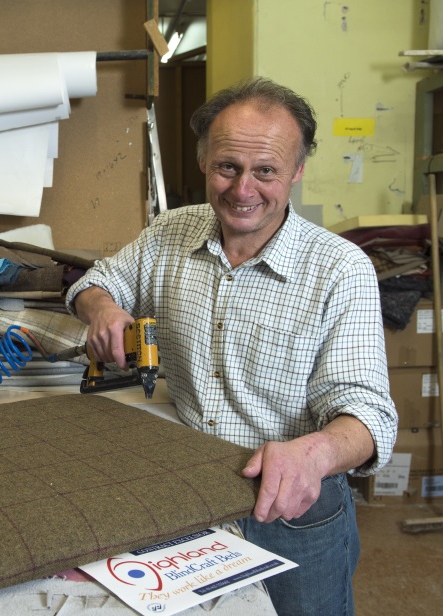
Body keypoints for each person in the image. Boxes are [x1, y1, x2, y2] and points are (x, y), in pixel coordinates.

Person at [65, 77, 397, 616]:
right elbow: (95, 281)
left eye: (266, 170)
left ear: (297, 170)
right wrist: (102, 308)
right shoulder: (168, 232)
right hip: (185, 493)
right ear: (203, 162)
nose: (244, 190)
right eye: (228, 167)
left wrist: (313, 455)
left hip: (293, 506)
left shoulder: (341, 270)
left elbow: (370, 415)